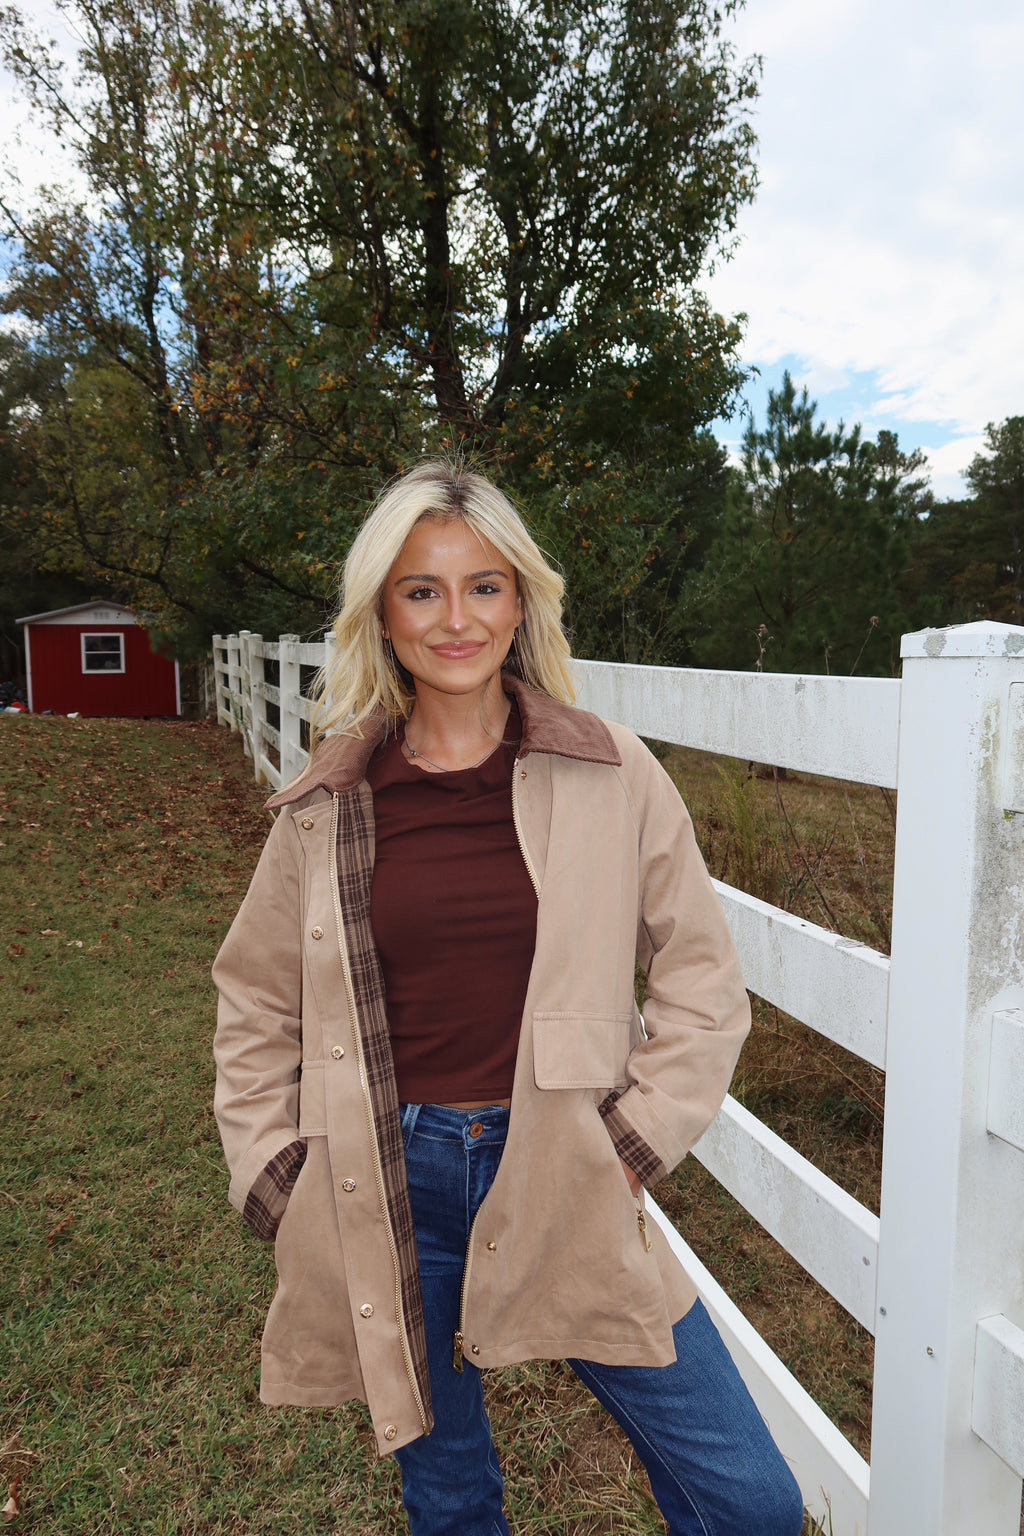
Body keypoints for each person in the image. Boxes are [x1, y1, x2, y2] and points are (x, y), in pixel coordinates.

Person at [212, 459, 805, 1536]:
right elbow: (254, 998)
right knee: (450, 1499)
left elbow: (702, 978)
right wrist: (275, 1175)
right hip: (385, 1180)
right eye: (421, 590)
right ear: (381, 615)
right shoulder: (327, 803)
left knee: (750, 1501)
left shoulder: (611, 772)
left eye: (483, 585)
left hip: (564, 1160)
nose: (456, 619)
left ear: (520, 602)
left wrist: (629, 1145)